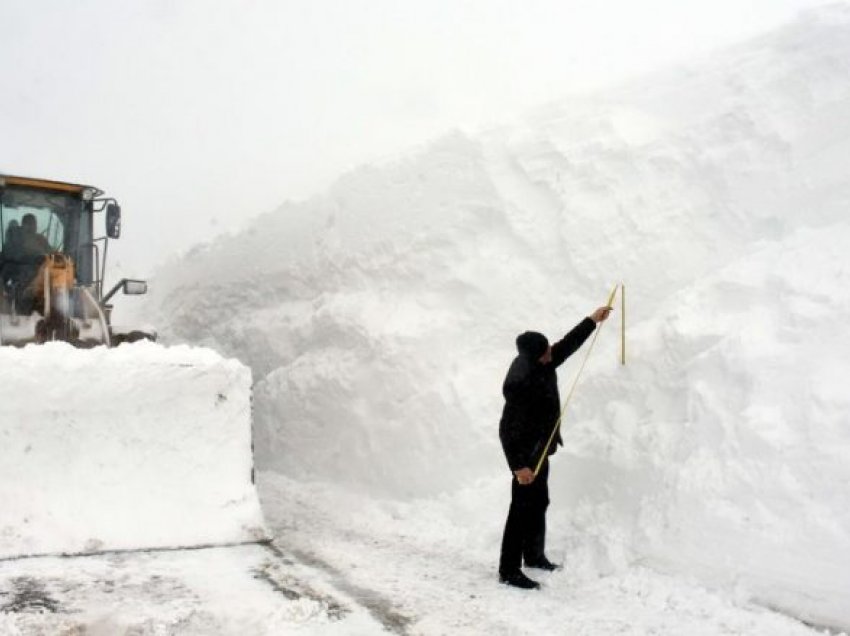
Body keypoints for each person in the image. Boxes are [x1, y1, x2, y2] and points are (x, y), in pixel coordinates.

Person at [498, 305, 612, 590]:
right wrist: (519, 466)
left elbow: (567, 345)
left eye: (549, 349)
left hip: (541, 449)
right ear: (534, 357)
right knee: (520, 510)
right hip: (525, 456)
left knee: (539, 503)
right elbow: (506, 430)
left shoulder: (543, 360)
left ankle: (534, 556)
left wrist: (591, 320)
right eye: (546, 351)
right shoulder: (520, 383)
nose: (551, 353)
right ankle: (508, 569)